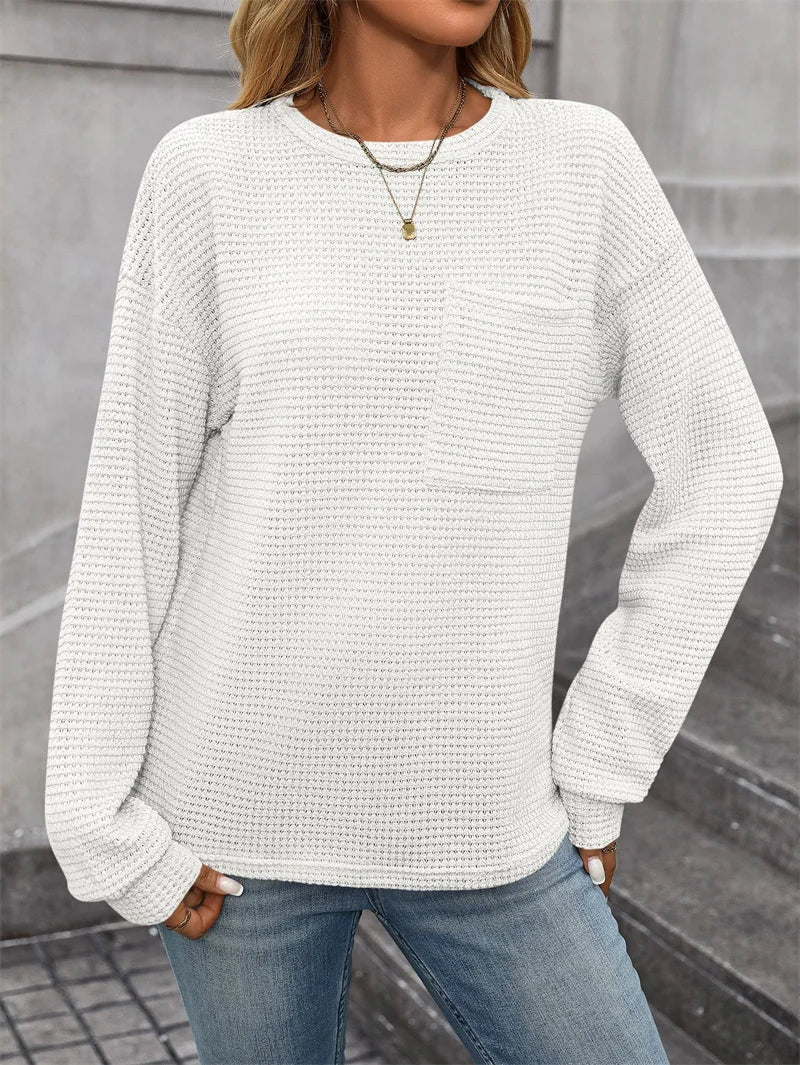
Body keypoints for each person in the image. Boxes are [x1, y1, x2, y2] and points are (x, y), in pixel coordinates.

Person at [43, 1, 784, 1063]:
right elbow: (133, 507)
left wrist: (602, 756)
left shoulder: (580, 167)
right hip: (232, 829)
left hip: (488, 821)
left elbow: (727, 465)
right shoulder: (207, 173)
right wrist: (99, 823)